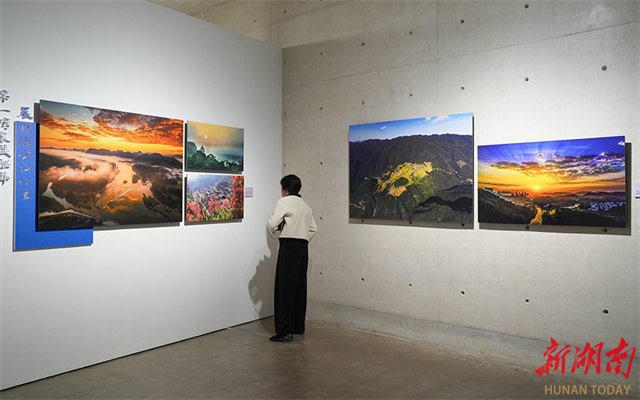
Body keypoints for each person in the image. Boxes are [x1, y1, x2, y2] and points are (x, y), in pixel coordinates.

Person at [267, 174, 317, 342]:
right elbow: (314, 228)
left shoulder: (284, 202)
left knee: (285, 288)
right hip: (303, 247)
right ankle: (297, 326)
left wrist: (273, 231)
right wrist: (303, 238)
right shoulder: (305, 205)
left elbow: (273, 223)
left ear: (285, 189)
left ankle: (285, 330)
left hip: (289, 246)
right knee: (299, 286)